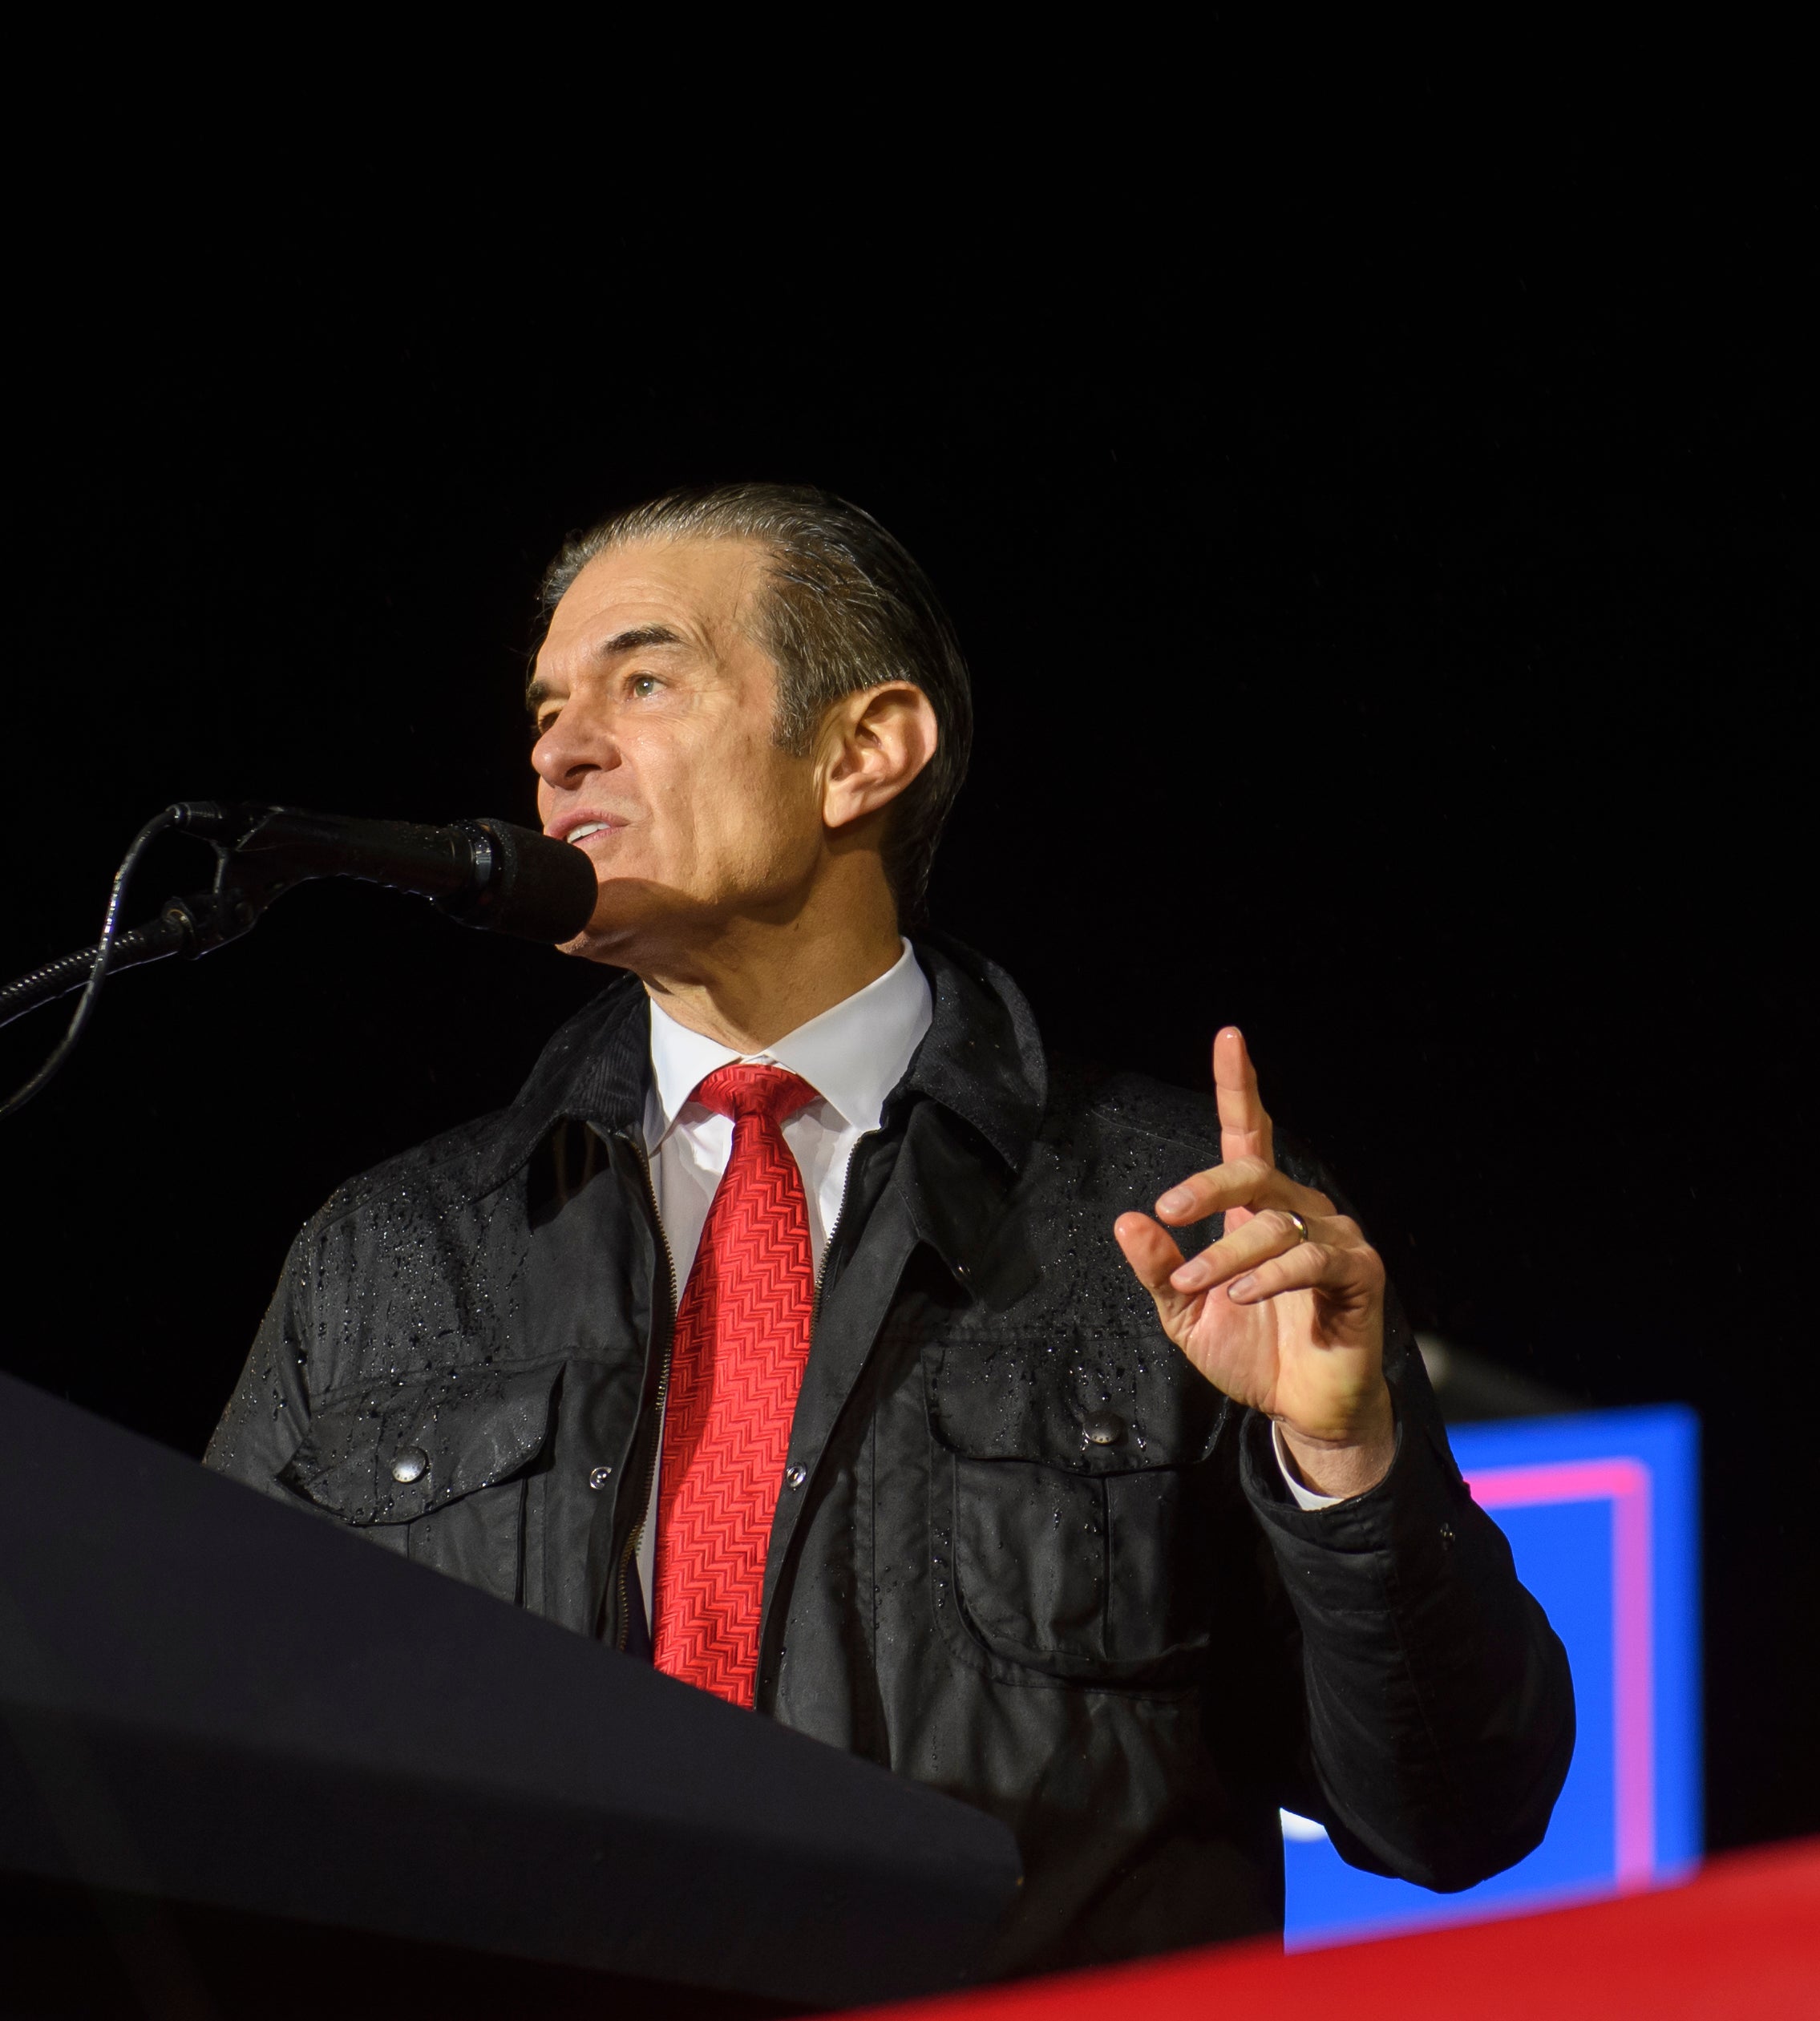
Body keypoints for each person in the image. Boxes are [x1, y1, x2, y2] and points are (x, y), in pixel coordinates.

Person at [204, 484, 1571, 1970]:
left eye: (643, 680)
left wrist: (1342, 1465)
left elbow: (1457, 1813)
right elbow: (194, 1765)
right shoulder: (391, 1254)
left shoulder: (1177, 1216)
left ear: (863, 752)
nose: (558, 747)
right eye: (546, 705)